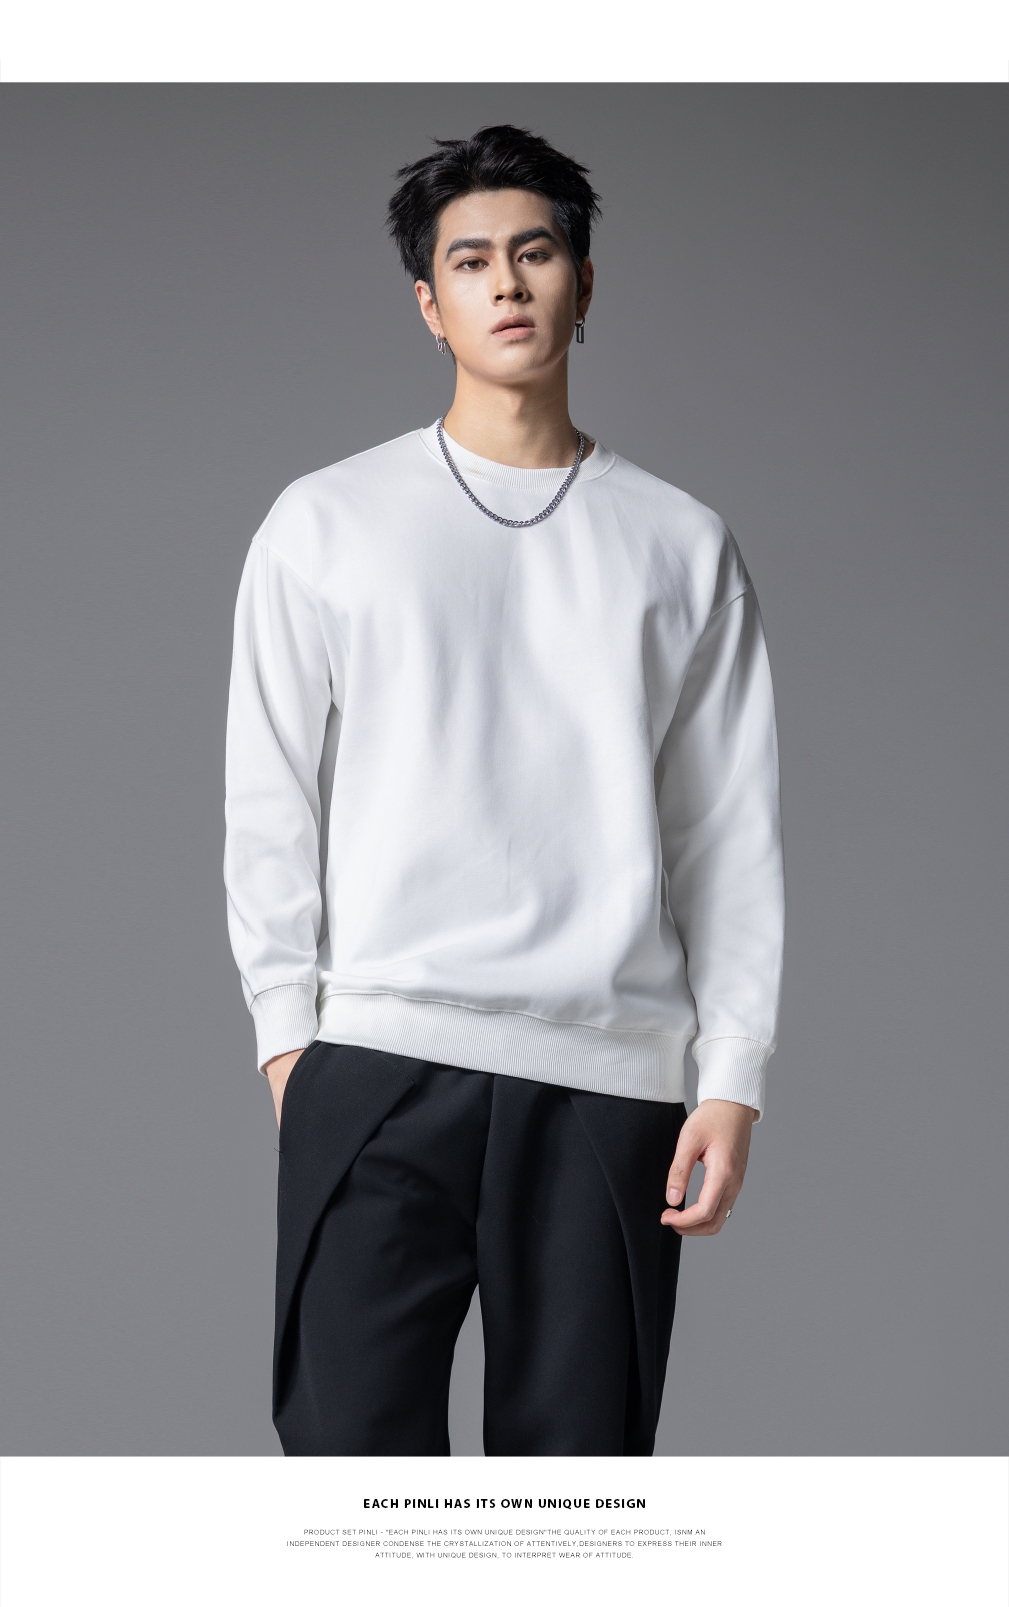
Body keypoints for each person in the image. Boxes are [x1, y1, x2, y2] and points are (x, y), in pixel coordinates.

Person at [223, 123, 784, 1457]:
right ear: (429, 305)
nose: (507, 283)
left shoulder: (680, 543)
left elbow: (726, 831)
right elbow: (268, 795)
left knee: (578, 1500)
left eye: (535, 253)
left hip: (607, 1081)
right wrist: (289, 1040)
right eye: (470, 262)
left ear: (584, 284)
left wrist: (731, 1077)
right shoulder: (326, 520)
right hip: (379, 1058)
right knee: (349, 1489)